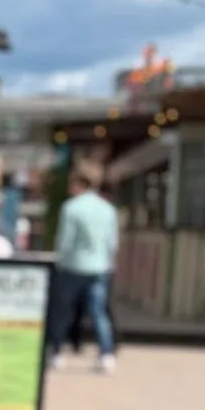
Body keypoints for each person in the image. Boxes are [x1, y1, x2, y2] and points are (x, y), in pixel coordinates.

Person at [46, 159, 119, 373]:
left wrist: (60, 260)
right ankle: (106, 354)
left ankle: (57, 352)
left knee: (62, 312)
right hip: (99, 267)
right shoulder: (107, 209)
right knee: (98, 313)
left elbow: (66, 242)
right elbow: (112, 242)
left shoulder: (71, 208)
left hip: (72, 266)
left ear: (79, 183)